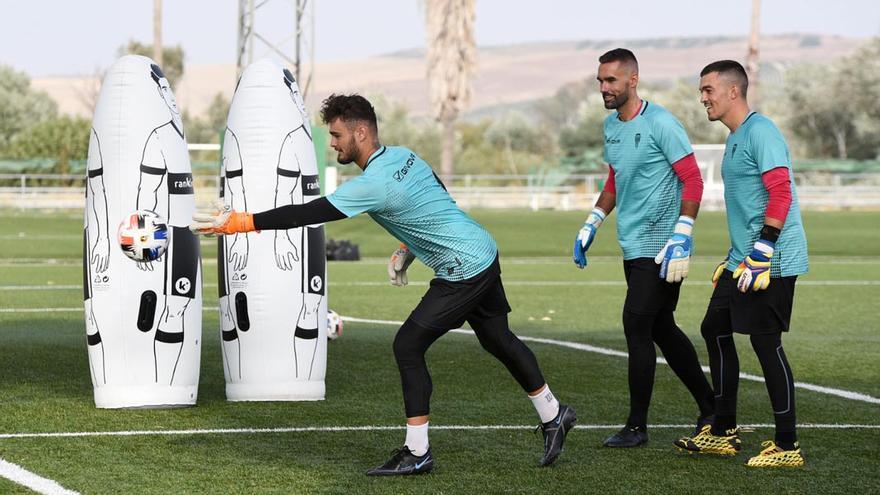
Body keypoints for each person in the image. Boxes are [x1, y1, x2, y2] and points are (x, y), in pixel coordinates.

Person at [192, 94, 577, 475]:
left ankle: (417, 451)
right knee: (498, 340)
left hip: (463, 269)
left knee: (407, 345)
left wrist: (242, 223)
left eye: (337, 135)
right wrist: (409, 246)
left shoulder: (372, 183)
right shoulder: (404, 155)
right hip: (483, 250)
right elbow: (437, 194)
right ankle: (554, 414)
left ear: (361, 132)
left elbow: (309, 212)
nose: (333, 144)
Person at [572, 48, 714, 448]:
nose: (604, 88)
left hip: (664, 248)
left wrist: (682, 233)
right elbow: (616, 179)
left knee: (637, 325)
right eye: (600, 80)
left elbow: (693, 181)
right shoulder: (610, 127)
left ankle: (637, 426)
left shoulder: (661, 123)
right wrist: (592, 221)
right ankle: (710, 404)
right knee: (661, 328)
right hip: (632, 245)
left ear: (633, 80)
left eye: (611, 80)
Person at [674, 60, 808, 468]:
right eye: (701, 91)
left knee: (766, 344)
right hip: (744, 258)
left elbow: (780, 193)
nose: (703, 98)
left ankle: (787, 446)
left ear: (734, 91)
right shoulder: (736, 138)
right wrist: (735, 259)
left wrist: (764, 250)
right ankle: (723, 430)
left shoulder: (761, 131)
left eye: (708, 90)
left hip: (773, 258)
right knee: (713, 327)